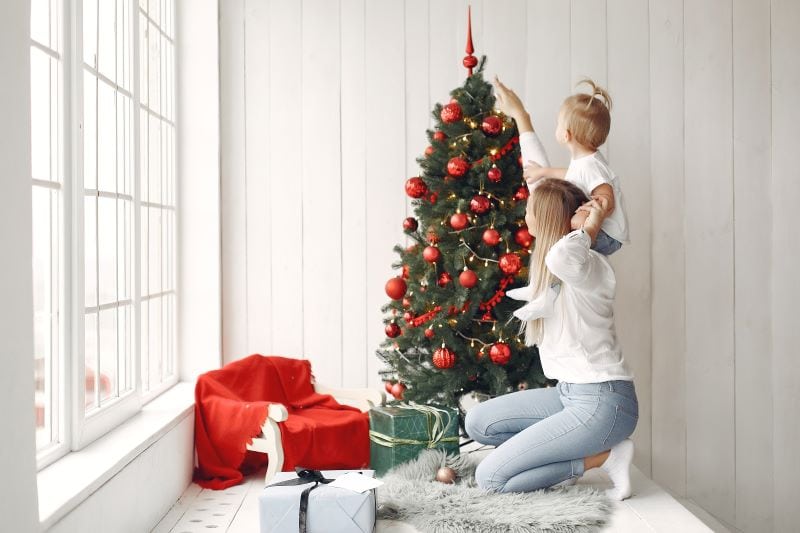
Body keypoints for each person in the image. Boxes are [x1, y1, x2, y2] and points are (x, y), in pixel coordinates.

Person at [464, 178, 639, 501]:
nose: (524, 213)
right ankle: (552, 456)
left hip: (604, 401)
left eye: (530, 209)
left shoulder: (586, 266)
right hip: (569, 394)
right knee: (479, 423)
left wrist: (591, 225)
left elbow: (562, 256)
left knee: (490, 478)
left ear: (544, 218)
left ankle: (602, 457)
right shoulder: (559, 266)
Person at [493, 76, 629, 257]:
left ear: (566, 135)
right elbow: (572, 174)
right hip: (602, 232)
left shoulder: (592, 166)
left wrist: (585, 218)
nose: (556, 127)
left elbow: (607, 200)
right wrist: (544, 172)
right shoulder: (585, 160)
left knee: (561, 238)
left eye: (558, 123)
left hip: (608, 236)